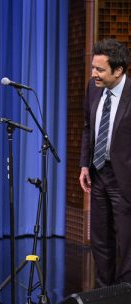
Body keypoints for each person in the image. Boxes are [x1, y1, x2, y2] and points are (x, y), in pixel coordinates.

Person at [79, 38, 131, 287]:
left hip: (125, 178)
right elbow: (87, 127)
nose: (94, 74)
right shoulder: (93, 87)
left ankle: (125, 295)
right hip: (98, 172)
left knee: (127, 241)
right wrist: (84, 165)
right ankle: (102, 294)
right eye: (93, 67)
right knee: (100, 239)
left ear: (118, 70)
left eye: (100, 69)